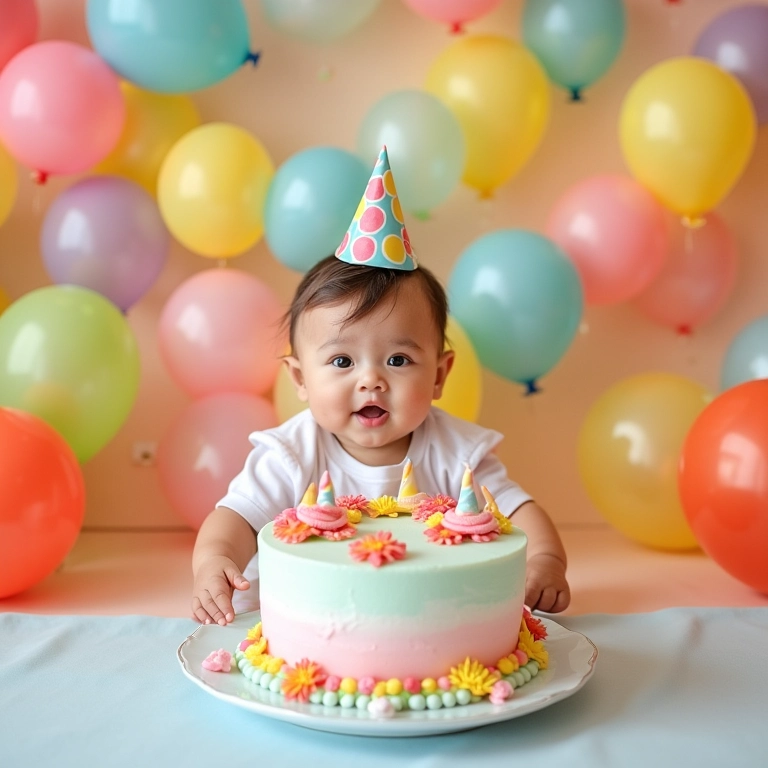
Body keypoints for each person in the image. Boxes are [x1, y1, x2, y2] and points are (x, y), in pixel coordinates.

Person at [191, 148, 570, 627]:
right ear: (300, 379)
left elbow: (522, 514)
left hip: (429, 626)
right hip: (303, 629)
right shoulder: (291, 455)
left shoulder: (458, 455)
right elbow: (235, 520)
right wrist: (213, 561)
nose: (371, 379)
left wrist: (545, 564)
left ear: (438, 375)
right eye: (342, 361)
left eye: (398, 359)